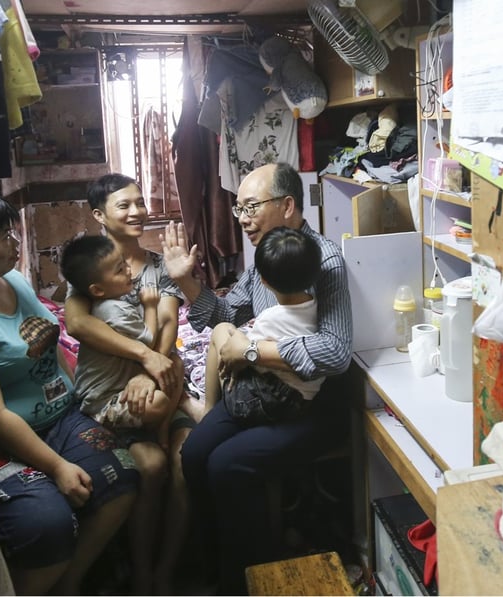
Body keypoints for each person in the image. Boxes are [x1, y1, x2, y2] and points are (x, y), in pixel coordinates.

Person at [162, 161, 354, 594]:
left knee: (228, 465)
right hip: (260, 391)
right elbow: (228, 316)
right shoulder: (260, 261)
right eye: (238, 209)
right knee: (193, 456)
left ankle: (248, 579)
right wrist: (189, 284)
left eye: (251, 206)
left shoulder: (325, 262)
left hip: (311, 404)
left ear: (288, 206)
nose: (243, 218)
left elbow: (336, 352)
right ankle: (217, 563)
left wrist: (250, 350)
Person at [0, 199, 139, 595]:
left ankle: (69, 584)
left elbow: (53, 341)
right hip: (6, 437)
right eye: (4, 235)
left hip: (64, 416)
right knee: (46, 522)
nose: (15, 240)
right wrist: (57, 467)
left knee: (122, 474)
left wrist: (79, 398)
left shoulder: (15, 281)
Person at [63, 173, 195, 595]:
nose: (138, 211)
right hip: (121, 393)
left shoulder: (160, 267)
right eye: (125, 205)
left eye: (140, 202)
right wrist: (142, 357)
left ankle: (166, 571)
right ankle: (139, 572)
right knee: (150, 466)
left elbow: (169, 324)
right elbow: (78, 323)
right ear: (100, 215)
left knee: (182, 464)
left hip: (161, 380)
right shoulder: (92, 266)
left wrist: (149, 368)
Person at [60, 234, 179, 448]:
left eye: (124, 262)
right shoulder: (114, 310)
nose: (128, 270)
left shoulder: (105, 299)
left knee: (175, 364)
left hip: (117, 384)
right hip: (102, 401)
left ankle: (161, 431)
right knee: (158, 402)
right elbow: (149, 341)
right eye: (119, 269)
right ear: (97, 289)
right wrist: (150, 306)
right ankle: (140, 432)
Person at [205, 226, 324, 427]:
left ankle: (208, 409)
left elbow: (239, 356)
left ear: (264, 281)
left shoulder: (270, 318)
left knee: (221, 330)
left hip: (264, 400)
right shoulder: (319, 309)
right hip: (304, 401)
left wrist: (238, 343)